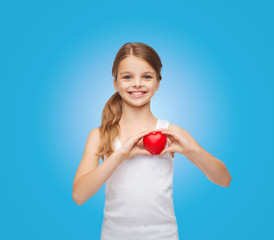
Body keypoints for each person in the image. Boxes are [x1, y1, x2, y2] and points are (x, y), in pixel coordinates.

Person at [72, 42, 232, 240]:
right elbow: (79, 196)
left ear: (158, 83)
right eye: (127, 77)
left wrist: (192, 151)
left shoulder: (171, 133)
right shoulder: (100, 135)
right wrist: (120, 156)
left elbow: (224, 180)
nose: (137, 83)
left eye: (146, 76)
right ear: (115, 82)